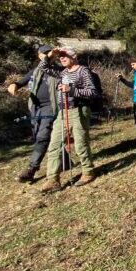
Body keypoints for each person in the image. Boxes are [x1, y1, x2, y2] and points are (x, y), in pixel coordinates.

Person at [39, 47, 99, 193]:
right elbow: (43, 67)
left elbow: (92, 92)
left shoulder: (83, 71)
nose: (62, 58)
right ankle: (53, 179)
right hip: (62, 112)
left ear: (74, 57)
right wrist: (50, 55)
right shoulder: (62, 72)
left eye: (65, 56)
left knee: (80, 143)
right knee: (54, 144)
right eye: (60, 57)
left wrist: (71, 90)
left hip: (78, 110)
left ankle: (88, 172)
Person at [8, 44, 62, 182]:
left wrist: (49, 58)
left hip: (51, 107)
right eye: (43, 54)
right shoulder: (35, 71)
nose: (46, 56)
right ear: (39, 55)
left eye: (49, 53)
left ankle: (32, 169)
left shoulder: (57, 70)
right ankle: (64, 159)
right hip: (35, 108)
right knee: (41, 136)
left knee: (43, 136)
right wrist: (14, 85)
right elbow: (21, 82)